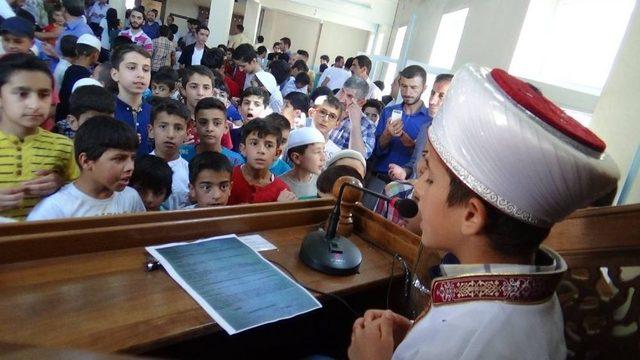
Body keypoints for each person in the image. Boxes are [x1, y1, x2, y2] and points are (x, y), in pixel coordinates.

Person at [346, 64, 620, 360]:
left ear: (472, 216)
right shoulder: (516, 292)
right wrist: (413, 333)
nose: (417, 190)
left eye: (429, 178)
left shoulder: (483, 339)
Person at [0, 54, 78, 220]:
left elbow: (83, 196)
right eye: (22, 94)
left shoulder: (63, 146)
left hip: (44, 240)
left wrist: (60, 185)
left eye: (43, 95)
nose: (34, 105)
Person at [27, 116, 145, 220]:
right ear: (86, 161)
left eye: (132, 158)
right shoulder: (54, 209)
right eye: (119, 158)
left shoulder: (130, 198)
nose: (130, 167)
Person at [391, 73, 453, 181]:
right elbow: (414, 162)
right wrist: (404, 172)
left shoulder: (456, 139)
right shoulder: (425, 128)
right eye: (432, 93)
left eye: (441, 96)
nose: (432, 101)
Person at [373, 65, 431, 183]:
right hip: (378, 177)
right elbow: (375, 151)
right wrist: (387, 135)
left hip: (407, 184)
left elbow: (425, 160)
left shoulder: (429, 122)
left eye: (413, 87)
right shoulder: (388, 111)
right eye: (404, 86)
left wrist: (411, 145)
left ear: (424, 88)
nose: (407, 92)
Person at [228, 119, 295, 205]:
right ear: (243, 149)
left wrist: (280, 208)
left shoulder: (282, 191)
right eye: (254, 143)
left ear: (277, 153)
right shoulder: (227, 179)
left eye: (269, 145)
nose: (261, 150)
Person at [148, 98, 190, 210]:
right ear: (151, 130)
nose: (170, 135)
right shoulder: (140, 168)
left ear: (187, 133)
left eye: (178, 128)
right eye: (163, 126)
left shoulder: (190, 172)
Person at [111, 44, 153, 156]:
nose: (140, 75)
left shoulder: (155, 113)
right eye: (131, 68)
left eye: (146, 69)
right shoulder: (105, 111)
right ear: (115, 74)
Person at [180, 97, 245, 167]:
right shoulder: (180, 153)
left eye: (216, 123)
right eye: (203, 122)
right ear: (195, 127)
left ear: (226, 128)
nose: (209, 128)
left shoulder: (235, 161)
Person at [56, 33, 101, 121]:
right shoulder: (87, 78)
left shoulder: (69, 70)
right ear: (95, 55)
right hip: (74, 121)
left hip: (61, 118)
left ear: (76, 51)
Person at [330, 76, 376, 159]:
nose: (342, 99)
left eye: (349, 96)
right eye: (342, 92)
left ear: (361, 102)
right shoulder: (331, 112)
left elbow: (358, 158)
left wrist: (355, 123)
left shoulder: (367, 125)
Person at [280, 127, 325, 199]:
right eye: (317, 152)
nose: (323, 158)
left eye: (323, 151)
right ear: (296, 158)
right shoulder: (280, 186)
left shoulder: (324, 183)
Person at [179, 65, 215, 146]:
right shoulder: (174, 118)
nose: (200, 93)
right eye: (194, 87)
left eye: (206, 87)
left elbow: (227, 154)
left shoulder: (219, 121)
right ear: (183, 90)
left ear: (212, 92)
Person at [231, 86, 270, 151]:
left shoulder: (269, 138)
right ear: (239, 108)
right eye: (246, 103)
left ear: (265, 109)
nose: (250, 107)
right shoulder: (232, 134)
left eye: (257, 104)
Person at [310, 94, 344, 163]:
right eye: (322, 112)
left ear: (337, 124)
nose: (325, 119)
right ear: (311, 112)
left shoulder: (336, 153)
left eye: (332, 116)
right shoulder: (294, 137)